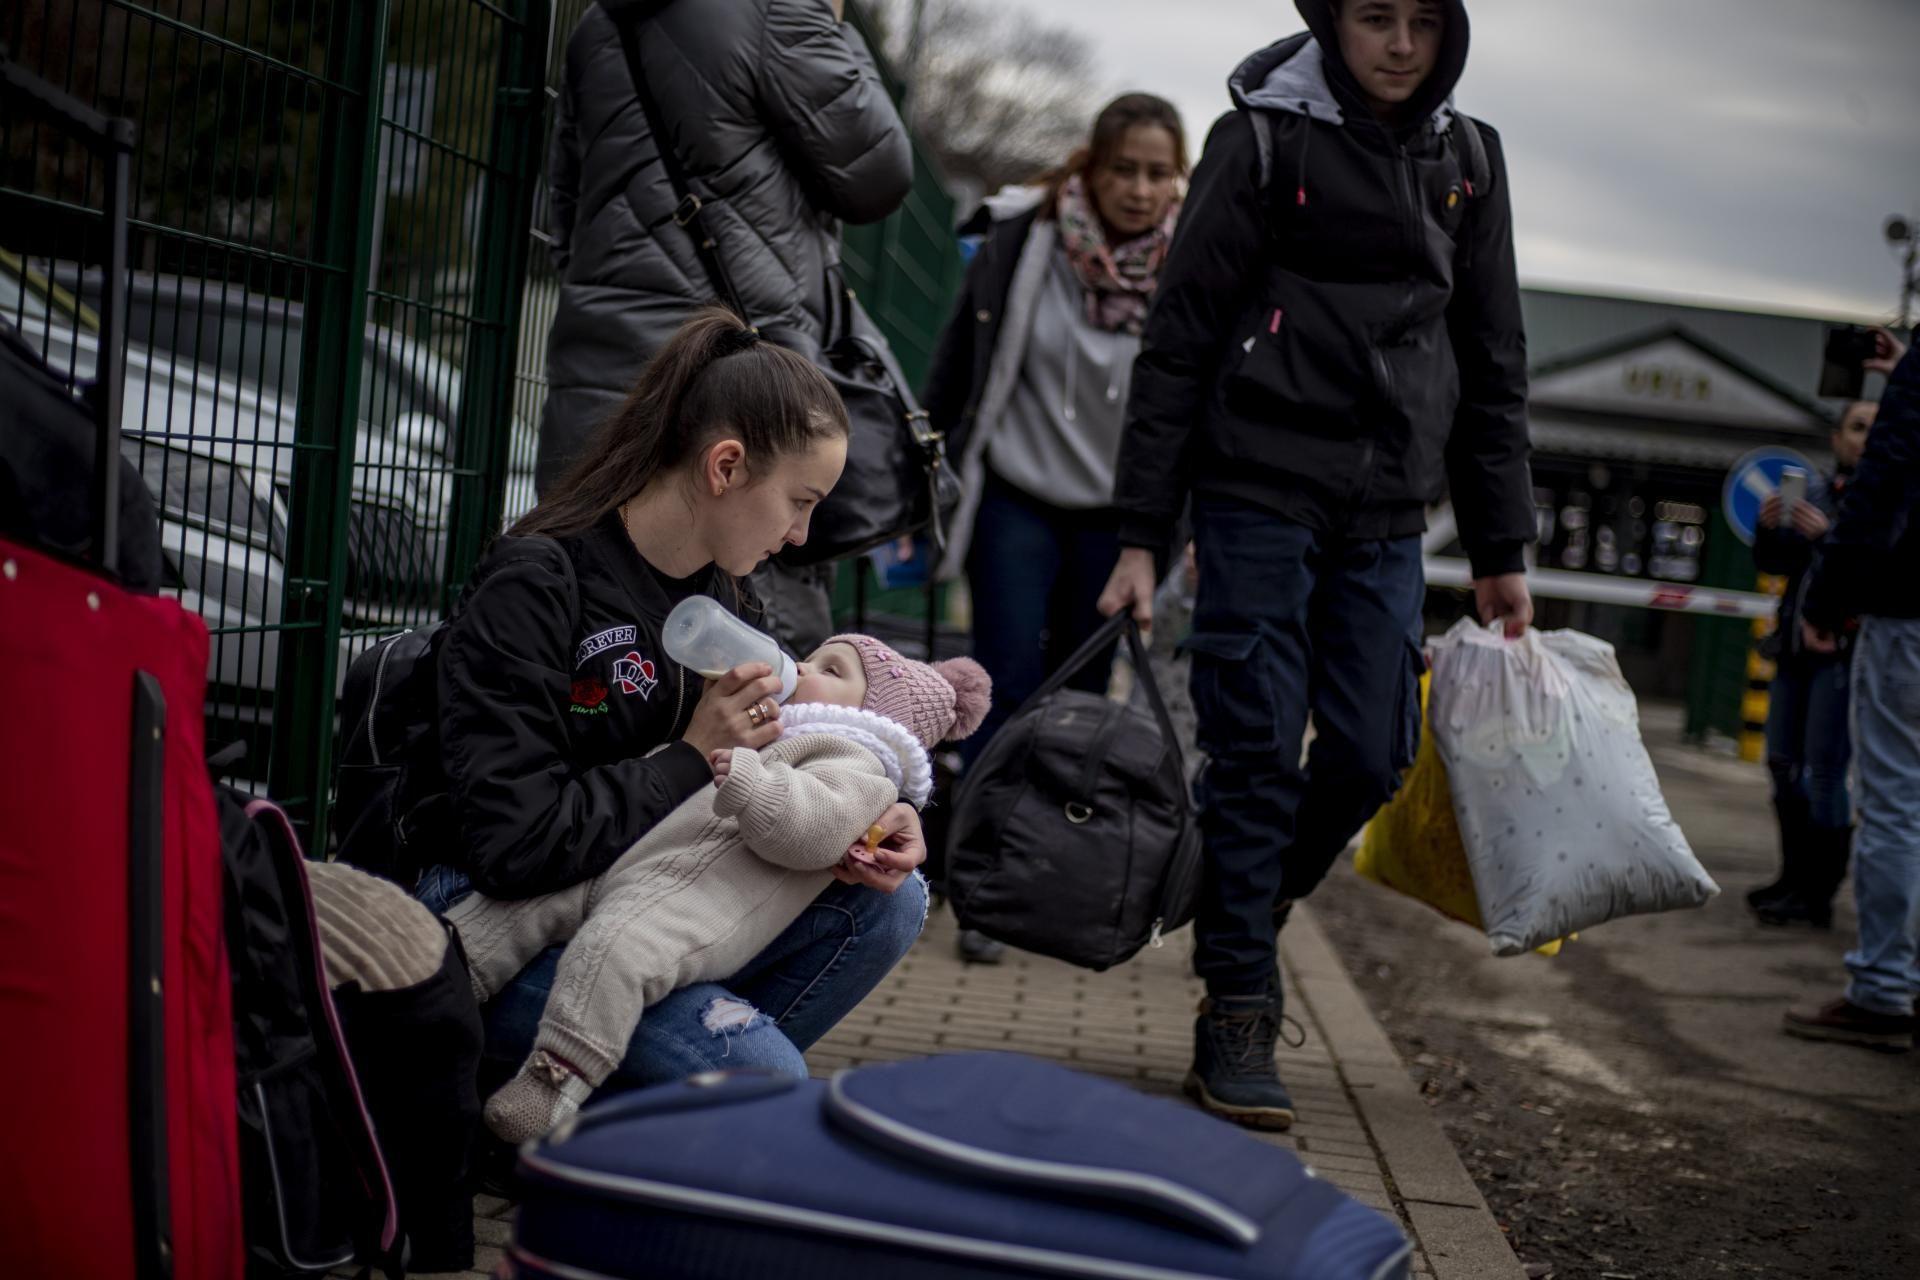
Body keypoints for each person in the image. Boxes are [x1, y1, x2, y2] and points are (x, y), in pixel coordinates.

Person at [1097, 0, 1535, 1129]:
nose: (1398, 44)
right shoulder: (1263, 136)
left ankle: (1242, 898)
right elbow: (1180, 339)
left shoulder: (1469, 160)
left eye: (1421, 23)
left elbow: (1494, 361)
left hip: (1389, 516)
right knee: (1251, 750)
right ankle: (1237, 1001)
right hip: (1254, 494)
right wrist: (1142, 533)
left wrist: (1502, 549)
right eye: (1374, 18)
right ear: (1332, 20)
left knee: (1372, 751)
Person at [403, 309, 932, 1097]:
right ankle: (563, 1090)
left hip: (635, 903)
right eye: (800, 501)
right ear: (725, 467)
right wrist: (689, 758)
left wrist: (868, 815)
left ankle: (610, 1093)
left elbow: (790, 756)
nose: (799, 535)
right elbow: (511, 847)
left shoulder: (731, 599)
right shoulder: (542, 583)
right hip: (497, 917)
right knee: (757, 1074)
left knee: (890, 903)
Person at [450, 637, 989, 1141]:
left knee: (611, 954)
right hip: (620, 867)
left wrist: (754, 785)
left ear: (877, 713)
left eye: (831, 671)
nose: (800, 668)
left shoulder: (859, 767)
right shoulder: (779, 729)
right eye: (811, 657)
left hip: (679, 909)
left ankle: (550, 1087)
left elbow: (814, 829)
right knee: (509, 914)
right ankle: (426, 987)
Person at [537, 0, 912, 654]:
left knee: (590, 617)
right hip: (742, 376)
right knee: (755, 635)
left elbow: (564, 211)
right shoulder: (776, 11)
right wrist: (834, 22)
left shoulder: (601, 23)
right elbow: (878, 173)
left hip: (601, 363)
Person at [923, 93, 1188, 962]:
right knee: (1003, 681)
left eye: (1158, 172)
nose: (1140, 189)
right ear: (1089, 168)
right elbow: (957, 363)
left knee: (1080, 700)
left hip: (1120, 520)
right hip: (1018, 497)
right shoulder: (1021, 238)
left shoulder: (1193, 264)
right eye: (1124, 169)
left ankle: (1052, 871)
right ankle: (978, 881)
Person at [1785, 327, 1918, 1052]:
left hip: (1909, 612)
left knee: (1895, 801)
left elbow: (1887, 479)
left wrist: (1826, 597)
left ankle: (1883, 989)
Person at [1746, 398, 1876, 927]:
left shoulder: (1880, 502)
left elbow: (1872, 575)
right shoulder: (1816, 490)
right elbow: (1776, 565)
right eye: (1855, 427)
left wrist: (1828, 537)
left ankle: (1817, 893)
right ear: (1836, 437)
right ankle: (1793, 877)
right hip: (1795, 652)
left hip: (1840, 654)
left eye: (1873, 429)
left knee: (1825, 774)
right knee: (1781, 764)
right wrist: (1769, 529)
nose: (1863, 438)